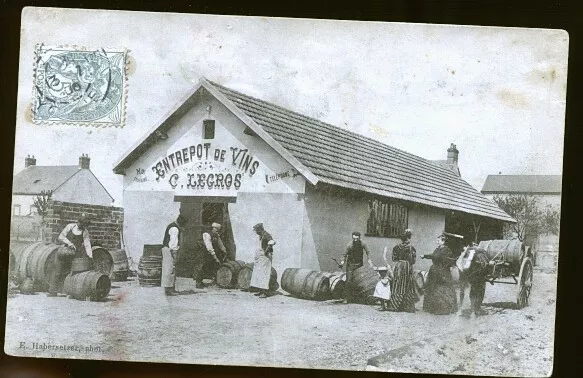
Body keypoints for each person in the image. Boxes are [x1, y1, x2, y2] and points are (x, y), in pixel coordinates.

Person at [49, 213, 93, 297]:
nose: (80, 224)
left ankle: (66, 291)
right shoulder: (70, 226)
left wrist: (90, 256)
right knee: (58, 270)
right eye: (80, 222)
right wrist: (69, 243)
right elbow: (61, 236)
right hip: (64, 251)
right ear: (78, 221)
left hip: (74, 254)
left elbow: (87, 244)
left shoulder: (85, 232)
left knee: (70, 272)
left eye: (83, 223)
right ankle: (52, 291)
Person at [383, 229, 419, 312]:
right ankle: (407, 306)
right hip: (407, 267)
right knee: (408, 285)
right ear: (408, 239)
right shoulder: (411, 248)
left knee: (398, 285)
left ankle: (395, 305)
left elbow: (394, 259)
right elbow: (413, 261)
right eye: (409, 238)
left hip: (399, 267)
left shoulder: (396, 247)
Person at [421, 233, 458, 315]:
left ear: (443, 241)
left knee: (443, 289)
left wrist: (429, 256)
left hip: (443, 271)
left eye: (438, 240)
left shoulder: (447, 250)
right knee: (432, 288)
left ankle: (443, 308)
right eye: (437, 240)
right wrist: (425, 256)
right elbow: (434, 255)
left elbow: (440, 258)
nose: (437, 242)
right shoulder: (437, 249)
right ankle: (432, 307)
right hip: (434, 271)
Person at [339, 231, 373, 303]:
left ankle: (358, 298)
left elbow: (368, 251)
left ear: (359, 238)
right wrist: (342, 262)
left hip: (360, 264)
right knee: (349, 281)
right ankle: (346, 298)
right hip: (351, 265)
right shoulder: (350, 245)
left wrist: (369, 259)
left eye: (356, 239)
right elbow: (344, 254)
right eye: (353, 238)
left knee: (360, 280)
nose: (355, 240)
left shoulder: (363, 243)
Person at [458, 244, 490, 316]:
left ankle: (474, 309)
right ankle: (476, 309)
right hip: (477, 275)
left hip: (470, 274)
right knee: (478, 290)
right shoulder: (479, 253)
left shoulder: (467, 253)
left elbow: (460, 264)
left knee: (474, 290)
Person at [193, 222, 228, 289]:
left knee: (207, 266)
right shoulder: (207, 234)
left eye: (219, 231)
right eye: (217, 231)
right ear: (213, 229)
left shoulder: (216, 235)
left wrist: (224, 251)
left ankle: (205, 280)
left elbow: (220, 245)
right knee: (200, 266)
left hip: (207, 252)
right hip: (201, 251)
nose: (218, 233)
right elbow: (209, 248)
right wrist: (215, 257)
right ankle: (198, 282)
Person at [161, 214, 187, 296]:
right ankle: (169, 290)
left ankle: (171, 288)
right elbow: (173, 244)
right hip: (170, 250)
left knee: (170, 270)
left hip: (169, 250)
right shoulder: (175, 229)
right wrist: (175, 255)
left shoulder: (173, 226)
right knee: (169, 270)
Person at [249, 223, 276, 298]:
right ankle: (261, 291)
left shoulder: (266, 235)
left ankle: (265, 292)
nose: (256, 232)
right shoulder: (261, 236)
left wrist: (268, 248)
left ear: (260, 230)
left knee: (264, 274)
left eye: (256, 230)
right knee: (259, 274)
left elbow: (272, 241)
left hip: (265, 257)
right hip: (261, 258)